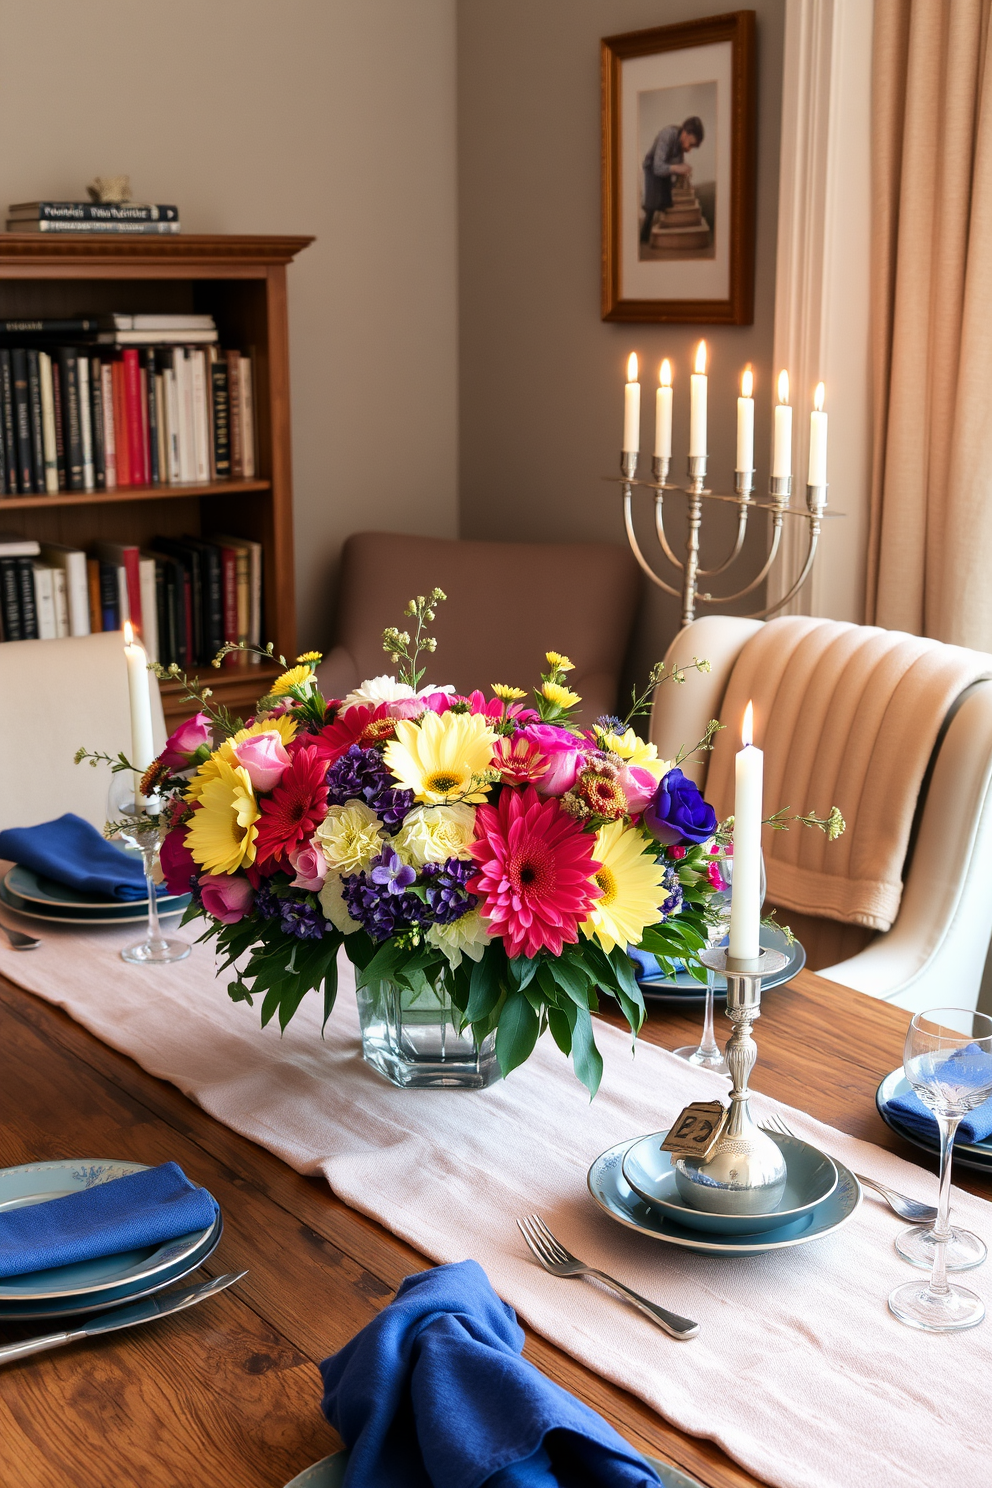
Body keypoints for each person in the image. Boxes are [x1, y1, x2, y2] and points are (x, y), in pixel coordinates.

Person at [640, 115, 704, 244]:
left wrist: (683, 175)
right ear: (685, 134)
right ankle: (644, 236)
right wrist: (677, 168)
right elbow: (658, 167)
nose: (689, 150)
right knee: (652, 204)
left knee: (666, 202)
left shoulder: (680, 147)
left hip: (665, 170)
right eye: (690, 145)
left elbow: (675, 170)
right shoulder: (667, 135)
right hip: (651, 167)